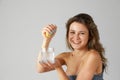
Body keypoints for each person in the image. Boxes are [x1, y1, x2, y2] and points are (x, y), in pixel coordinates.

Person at [37, 13, 107, 80]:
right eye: (72, 32)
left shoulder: (93, 56)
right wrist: (47, 40)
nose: (76, 37)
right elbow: (40, 69)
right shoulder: (66, 56)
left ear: (90, 36)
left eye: (82, 33)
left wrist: (58, 67)